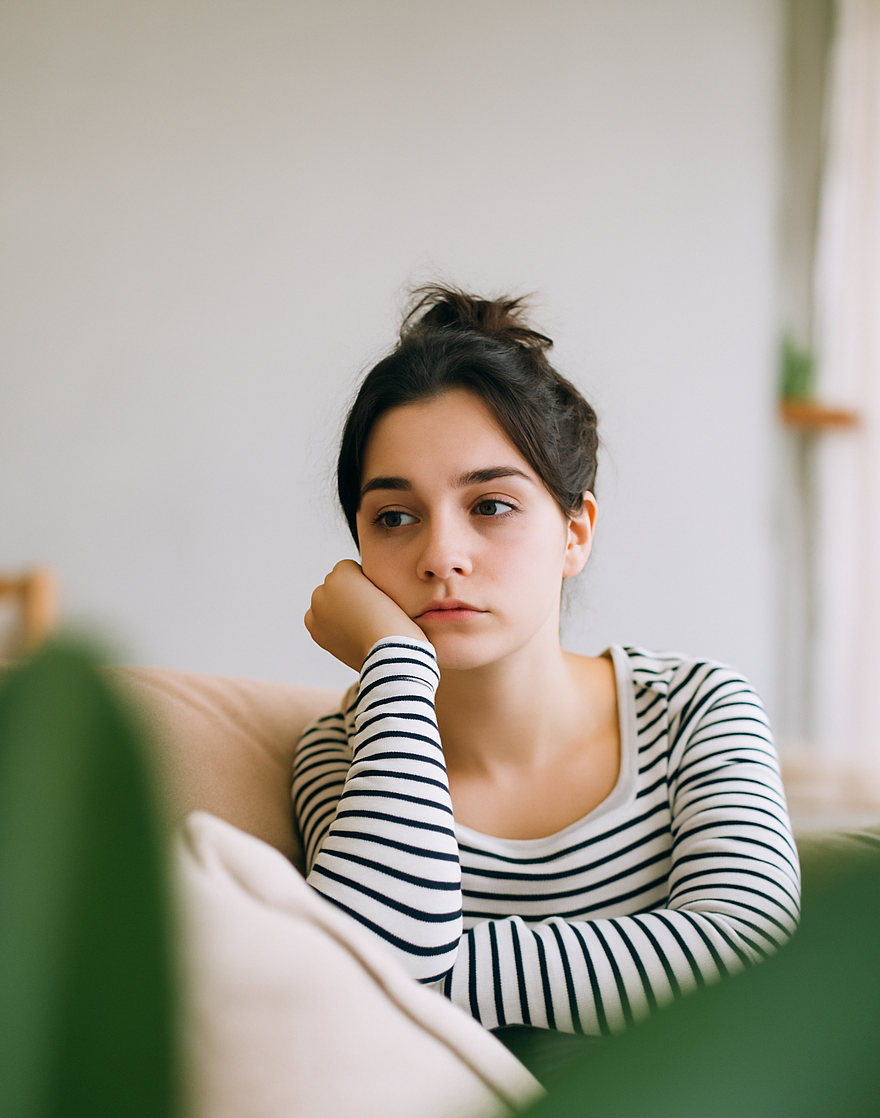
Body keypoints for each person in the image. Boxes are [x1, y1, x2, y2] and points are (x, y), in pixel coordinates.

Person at [292, 287, 800, 1037]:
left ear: (574, 531)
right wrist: (394, 662)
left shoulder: (696, 708)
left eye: (490, 505)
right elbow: (342, 1011)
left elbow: (746, 960)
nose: (441, 557)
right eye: (394, 518)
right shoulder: (347, 752)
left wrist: (432, 968)